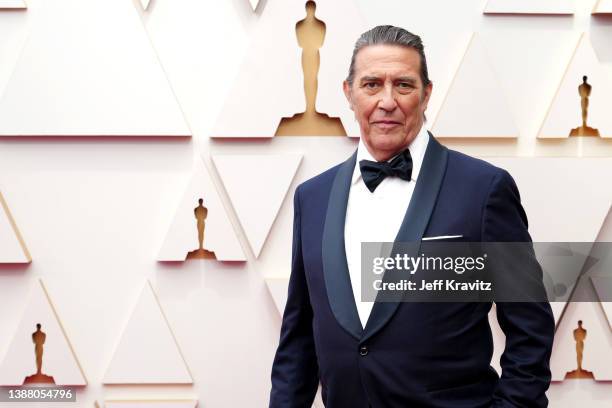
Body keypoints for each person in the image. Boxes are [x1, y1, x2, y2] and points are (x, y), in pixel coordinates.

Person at [269, 25, 554, 407]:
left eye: (403, 85)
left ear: (426, 94)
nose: (387, 101)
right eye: (371, 84)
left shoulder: (484, 190)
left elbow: (530, 330)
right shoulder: (312, 197)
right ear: (348, 94)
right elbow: (299, 338)